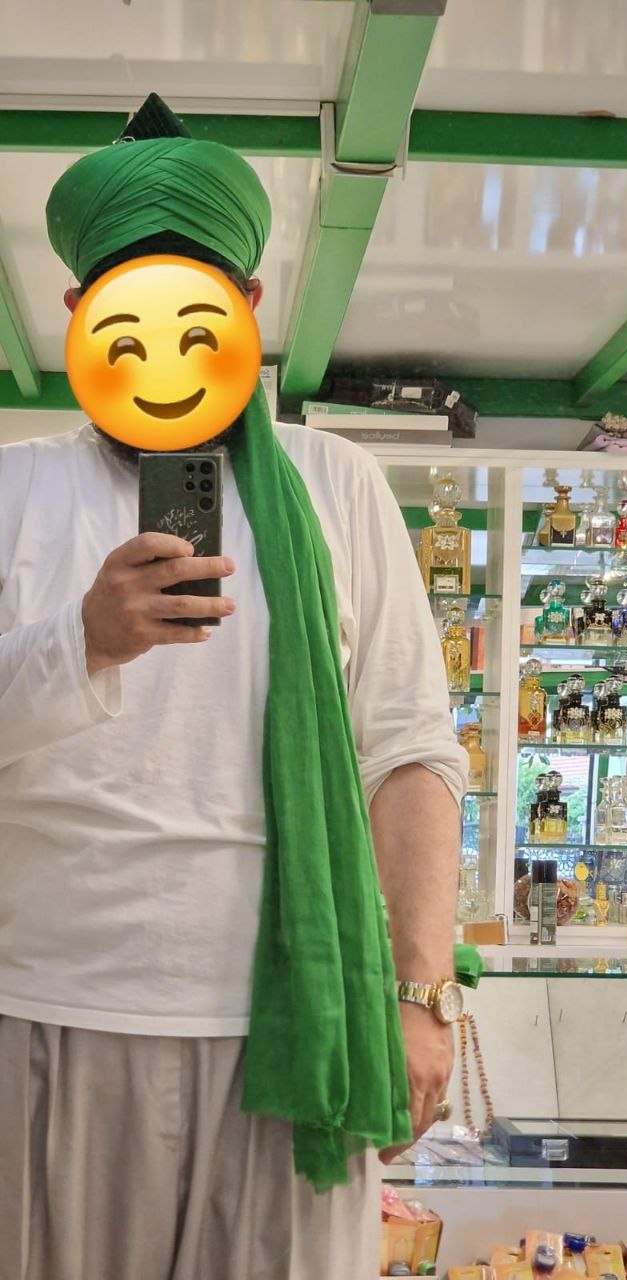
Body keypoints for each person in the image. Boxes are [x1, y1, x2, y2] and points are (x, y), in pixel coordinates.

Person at [0, 95, 467, 1280]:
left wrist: (421, 992)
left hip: (296, 1021)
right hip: (50, 1007)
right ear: (78, 315)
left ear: (248, 307)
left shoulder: (335, 482)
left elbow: (408, 750)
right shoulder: (16, 490)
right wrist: (84, 638)